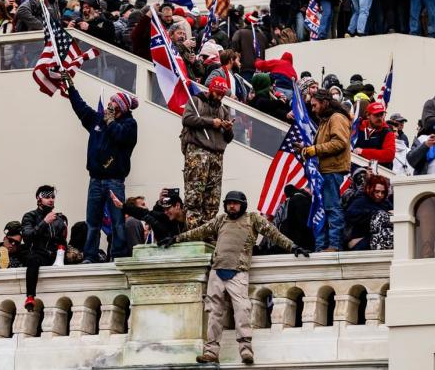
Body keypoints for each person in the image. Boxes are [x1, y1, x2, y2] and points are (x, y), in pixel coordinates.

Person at [159, 190, 310, 365]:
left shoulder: (253, 219)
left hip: (238, 272)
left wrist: (292, 247)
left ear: (242, 204)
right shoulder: (221, 220)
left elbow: (273, 234)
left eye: (235, 203)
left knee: (242, 311)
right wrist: (176, 239)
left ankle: (246, 351)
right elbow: (199, 232)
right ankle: (211, 352)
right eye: (229, 203)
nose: (231, 206)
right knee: (214, 313)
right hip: (217, 271)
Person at [62, 72, 138, 262]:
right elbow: (81, 108)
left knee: (117, 221)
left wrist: (110, 121)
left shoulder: (130, 124)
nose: (109, 107)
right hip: (95, 179)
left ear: (121, 108)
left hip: (115, 180)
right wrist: (71, 88)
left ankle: (119, 255)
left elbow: (120, 136)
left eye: (113, 104)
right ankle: (90, 255)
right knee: (92, 221)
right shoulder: (98, 120)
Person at [297, 89, 351, 252]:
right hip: (323, 172)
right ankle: (322, 245)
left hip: (332, 171)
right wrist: (306, 149)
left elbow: (340, 143)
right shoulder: (325, 120)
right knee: (322, 208)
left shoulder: (337, 118)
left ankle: (334, 245)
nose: (312, 109)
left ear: (324, 103)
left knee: (332, 208)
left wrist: (314, 150)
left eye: (314, 105)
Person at [181, 77, 234, 229]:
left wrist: (228, 128)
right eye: (217, 93)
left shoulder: (223, 110)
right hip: (198, 151)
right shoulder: (196, 101)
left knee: (212, 198)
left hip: (217, 155)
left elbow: (229, 138)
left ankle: (207, 231)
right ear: (211, 90)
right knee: (194, 194)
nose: (220, 97)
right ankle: (193, 230)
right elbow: (187, 119)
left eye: (222, 95)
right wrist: (211, 122)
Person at [22, 185, 68, 311]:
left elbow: (62, 241)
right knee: (32, 259)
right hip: (38, 254)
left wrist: (62, 254)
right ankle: (30, 297)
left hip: (54, 256)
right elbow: (27, 237)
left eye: (53, 197)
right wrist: (44, 222)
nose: (51, 199)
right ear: (38, 198)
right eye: (47, 197)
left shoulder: (59, 220)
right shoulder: (29, 216)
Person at [111, 188, 187, 244]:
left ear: (177, 206)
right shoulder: (166, 218)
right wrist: (122, 206)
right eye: (164, 209)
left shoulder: (194, 216)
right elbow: (144, 212)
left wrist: (176, 239)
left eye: (168, 209)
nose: (166, 212)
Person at [344, 174, 393, 251]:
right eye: (377, 191)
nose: (380, 195)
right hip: (360, 242)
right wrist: (375, 214)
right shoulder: (361, 200)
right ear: (370, 189)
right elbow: (349, 215)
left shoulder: (386, 203)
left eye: (383, 192)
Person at [353, 102, 396, 169]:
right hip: (356, 170)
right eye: (376, 115)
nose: (379, 118)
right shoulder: (358, 127)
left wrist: (363, 152)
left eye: (381, 114)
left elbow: (389, 155)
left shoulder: (387, 132)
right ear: (368, 115)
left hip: (379, 174)